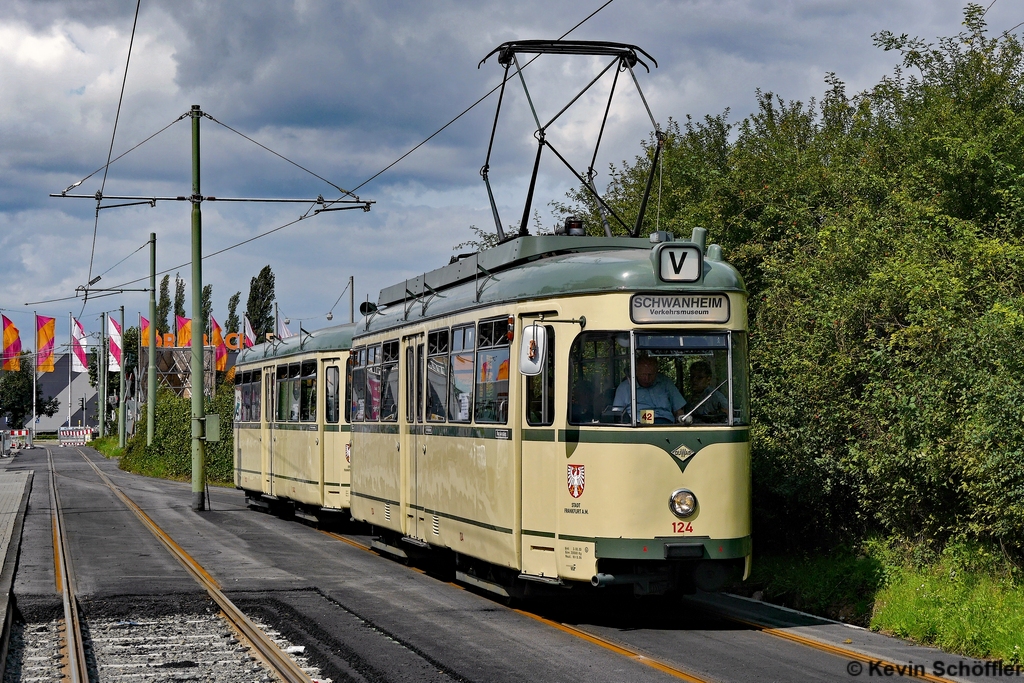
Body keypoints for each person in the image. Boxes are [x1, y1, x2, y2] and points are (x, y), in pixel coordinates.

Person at [612, 356, 687, 424]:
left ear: (656, 373)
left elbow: (679, 410)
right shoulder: (624, 387)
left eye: (650, 375)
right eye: (643, 374)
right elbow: (617, 413)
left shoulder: (665, 383)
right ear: (636, 372)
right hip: (636, 426)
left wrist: (681, 419)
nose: (646, 379)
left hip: (665, 425)